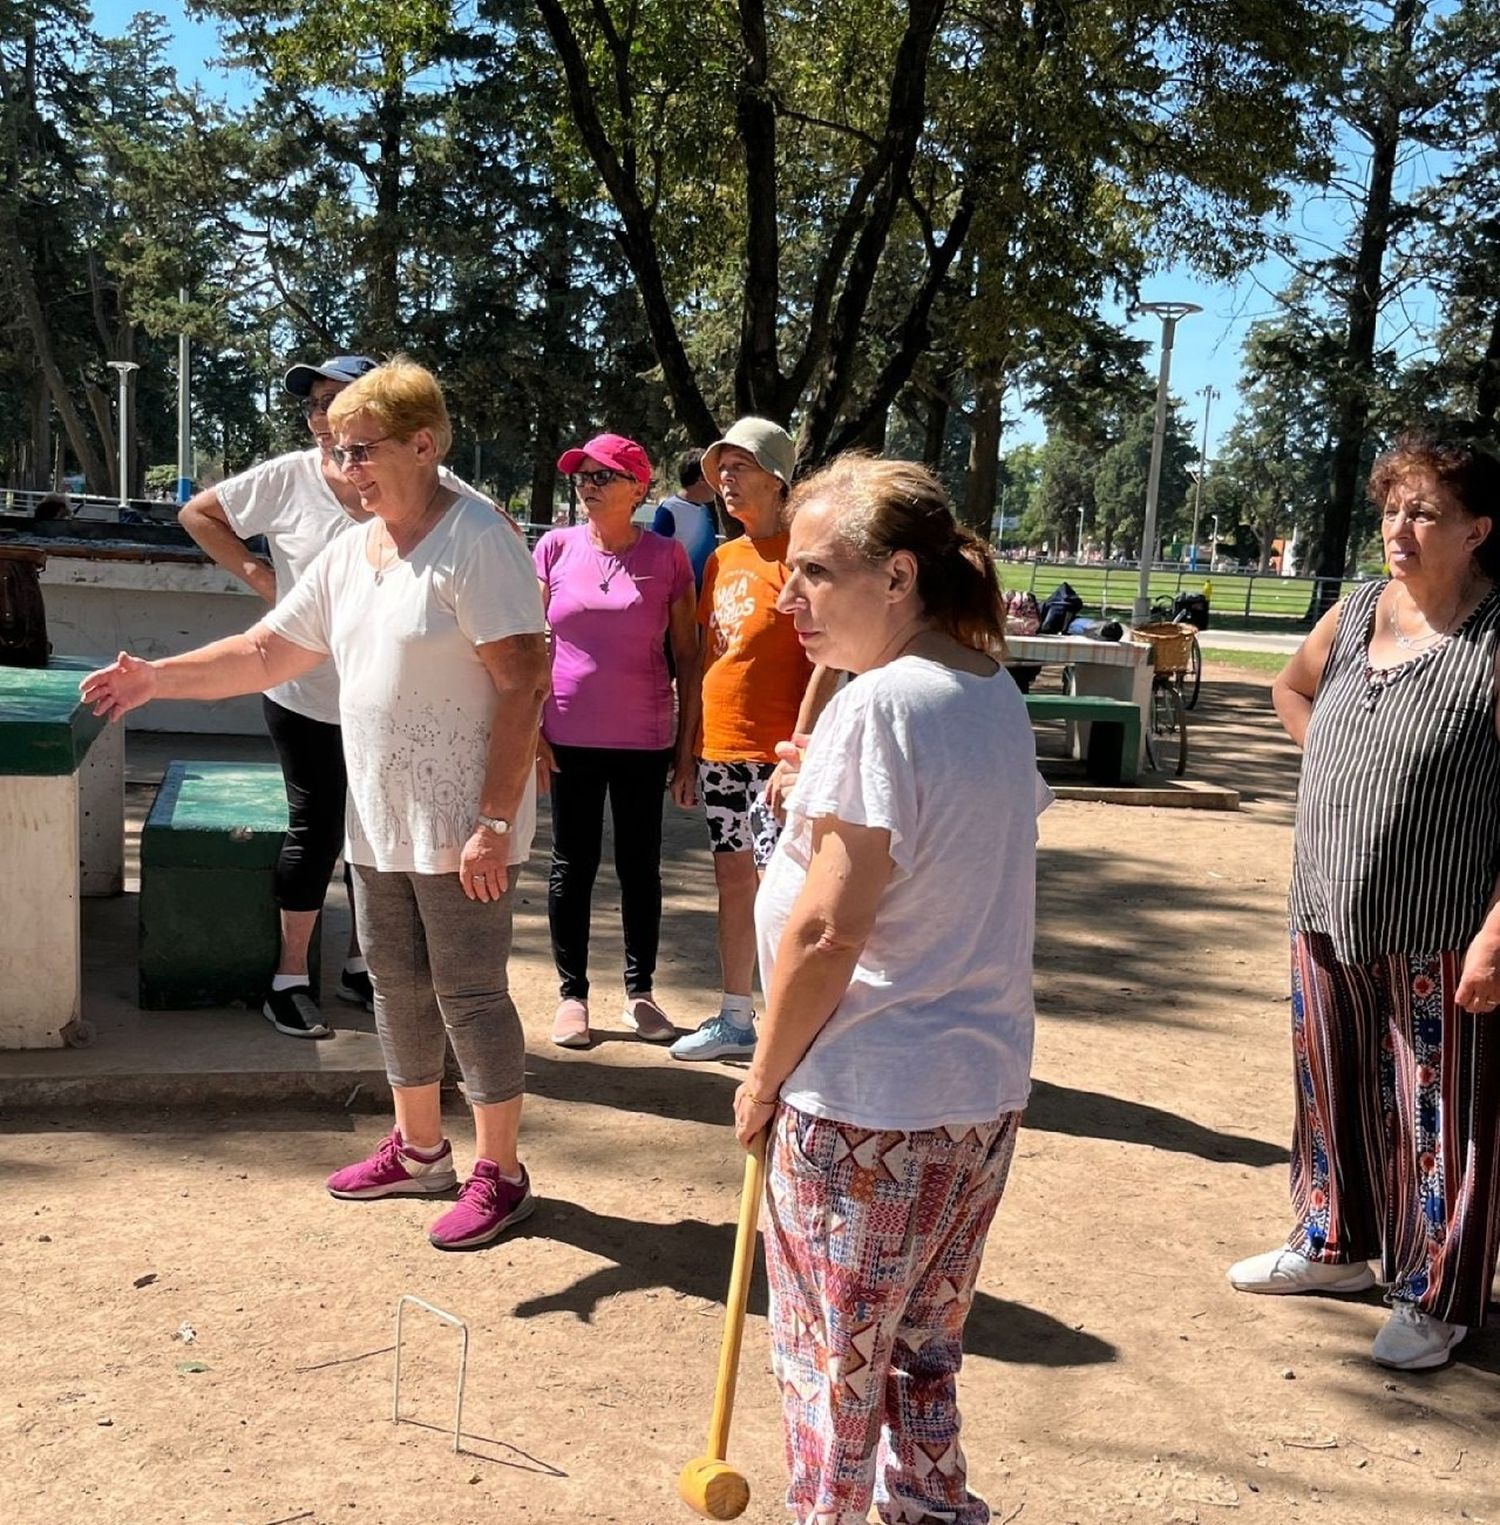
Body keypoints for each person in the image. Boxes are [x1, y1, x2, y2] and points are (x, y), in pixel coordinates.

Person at [83, 359, 550, 1251]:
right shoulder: (351, 548)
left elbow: (525, 682)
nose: (346, 469)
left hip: (464, 825)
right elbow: (265, 653)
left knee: (471, 994)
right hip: (378, 816)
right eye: (336, 451)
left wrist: (494, 821)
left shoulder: (478, 539)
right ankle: (420, 1151)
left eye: (362, 450)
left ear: (425, 443)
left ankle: (504, 1173)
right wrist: (155, 681)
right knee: (398, 987)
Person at [732, 454, 1049, 1525]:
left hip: (868, 1096)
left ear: (899, 576)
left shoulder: (879, 707)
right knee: (922, 1345)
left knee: (831, 1360)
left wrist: (762, 1076)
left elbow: (827, 928)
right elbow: (923, 852)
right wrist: (811, 791)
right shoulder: (985, 687)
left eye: (816, 572)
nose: (789, 599)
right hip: (975, 1092)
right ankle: (932, 1507)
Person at [1228, 432, 1500, 1370]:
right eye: (1393, 508)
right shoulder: (1352, 615)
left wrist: (1497, 934)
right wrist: (1335, 767)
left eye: (1425, 512)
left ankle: (1437, 1294)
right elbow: (1289, 687)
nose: (1401, 527)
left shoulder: (1494, 640)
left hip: (1441, 922)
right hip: (1326, 905)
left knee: (1440, 1115)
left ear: (1478, 530)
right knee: (1330, 1087)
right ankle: (1333, 1243)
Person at [178, 354, 490, 1039]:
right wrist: (267, 581)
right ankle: (289, 978)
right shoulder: (289, 478)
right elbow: (199, 513)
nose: (323, 418)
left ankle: (360, 965)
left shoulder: (429, 486)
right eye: (314, 405)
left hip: (391, 708)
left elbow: (492, 532)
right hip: (307, 696)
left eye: (336, 402)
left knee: (375, 836)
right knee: (316, 832)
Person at [670, 418, 838, 1063]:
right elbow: (713, 656)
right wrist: (689, 752)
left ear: (777, 477)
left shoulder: (803, 557)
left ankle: (789, 1024)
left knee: (784, 889)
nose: (726, 482)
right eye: (722, 471)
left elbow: (829, 659)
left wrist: (800, 747)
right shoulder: (721, 557)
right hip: (721, 751)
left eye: (740, 468)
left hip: (780, 759)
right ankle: (736, 1017)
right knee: (733, 881)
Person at [534, 433, 697, 1050]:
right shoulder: (553, 548)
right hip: (568, 733)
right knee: (570, 866)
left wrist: (686, 751)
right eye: (583, 474)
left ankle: (641, 993)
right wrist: (530, 730)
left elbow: (689, 654)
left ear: (638, 488)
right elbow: (529, 646)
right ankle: (572, 996)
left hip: (644, 737)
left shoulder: (667, 557)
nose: (589, 484)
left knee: (638, 868)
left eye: (605, 475)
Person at [650, 449, 720, 590]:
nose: (718, 483)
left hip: (705, 595)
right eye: (713, 475)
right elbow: (656, 556)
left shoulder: (704, 509)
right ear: (701, 478)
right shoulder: (669, 510)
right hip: (679, 596)